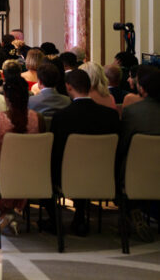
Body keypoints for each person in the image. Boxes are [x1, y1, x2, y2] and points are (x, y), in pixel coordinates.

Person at [48, 69, 120, 236]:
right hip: (104, 175)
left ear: (68, 87)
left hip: (67, 175)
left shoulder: (61, 117)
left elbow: (55, 152)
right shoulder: (110, 116)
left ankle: (54, 220)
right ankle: (79, 215)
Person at [0, 76, 43, 234]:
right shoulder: (38, 119)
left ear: (5, 96)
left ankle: (4, 212)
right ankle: (9, 212)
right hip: (32, 173)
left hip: (3, 173)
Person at [117, 65, 160, 242]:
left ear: (142, 88)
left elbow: (123, 144)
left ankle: (130, 210)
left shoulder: (133, 112)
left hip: (134, 173)